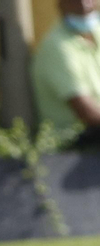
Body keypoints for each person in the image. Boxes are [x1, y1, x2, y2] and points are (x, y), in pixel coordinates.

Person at [33, 0, 100, 148]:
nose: (84, 5)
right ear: (61, 4)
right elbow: (86, 112)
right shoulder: (57, 47)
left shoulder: (96, 31)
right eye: (75, 1)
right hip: (72, 145)